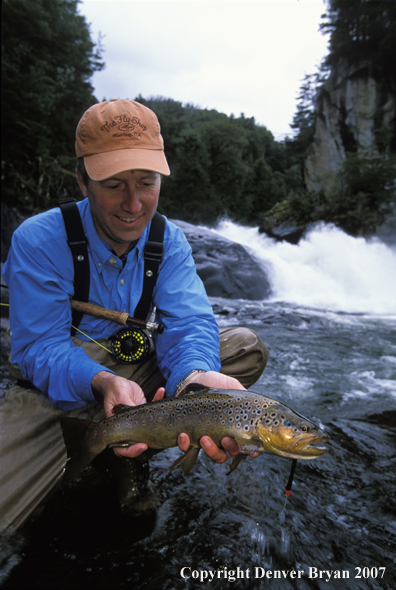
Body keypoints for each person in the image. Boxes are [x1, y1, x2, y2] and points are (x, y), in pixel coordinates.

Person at [1, 99, 268, 531]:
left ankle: (130, 450)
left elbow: (190, 324)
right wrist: (103, 381)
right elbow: (38, 348)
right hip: (55, 390)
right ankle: (106, 447)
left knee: (243, 349)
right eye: (113, 185)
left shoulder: (171, 242)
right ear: (82, 181)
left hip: (145, 383)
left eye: (146, 183)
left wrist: (195, 378)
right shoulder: (37, 240)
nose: (133, 204)